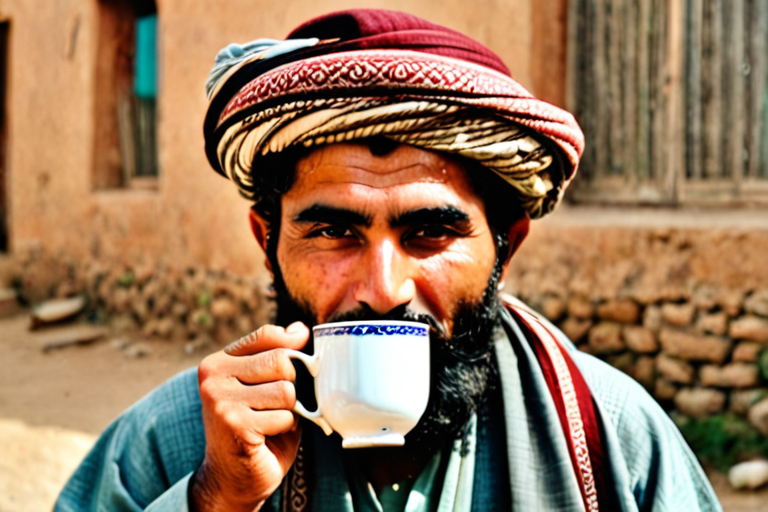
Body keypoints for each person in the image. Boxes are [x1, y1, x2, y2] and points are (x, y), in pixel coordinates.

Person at [56, 9, 721, 512]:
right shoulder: (170, 448)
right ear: (267, 242)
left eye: (430, 233)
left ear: (505, 247)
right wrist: (214, 499)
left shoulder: (609, 442)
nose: (382, 289)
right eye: (334, 233)